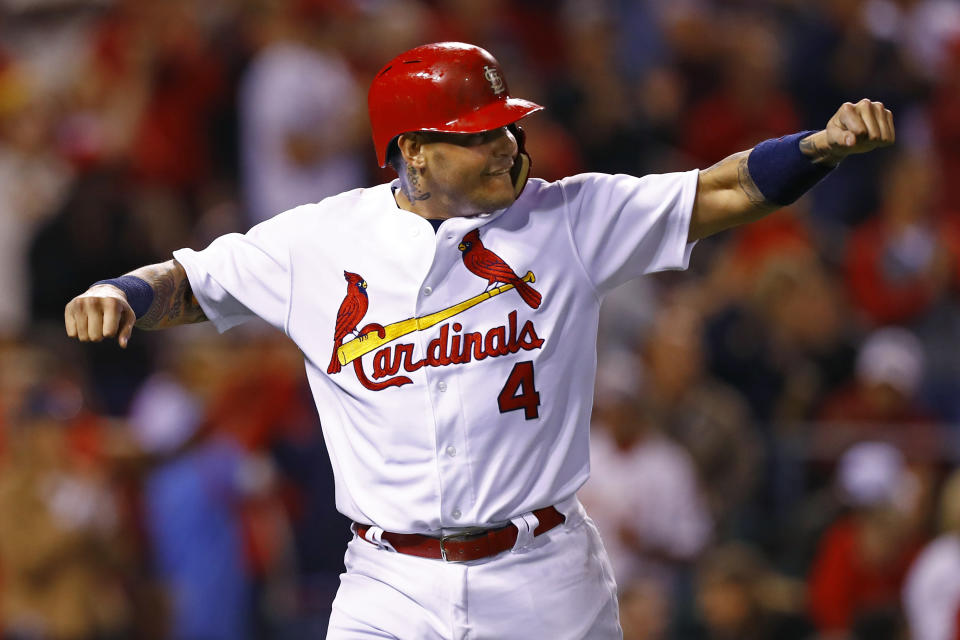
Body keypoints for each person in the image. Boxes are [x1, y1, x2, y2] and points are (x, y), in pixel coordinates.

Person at [64, 42, 895, 639]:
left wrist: (817, 149)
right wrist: (120, 293)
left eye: (506, 126)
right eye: (478, 134)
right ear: (413, 156)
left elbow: (723, 190)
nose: (506, 145)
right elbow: (194, 282)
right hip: (387, 584)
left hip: (543, 580)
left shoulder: (570, 217)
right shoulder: (316, 242)